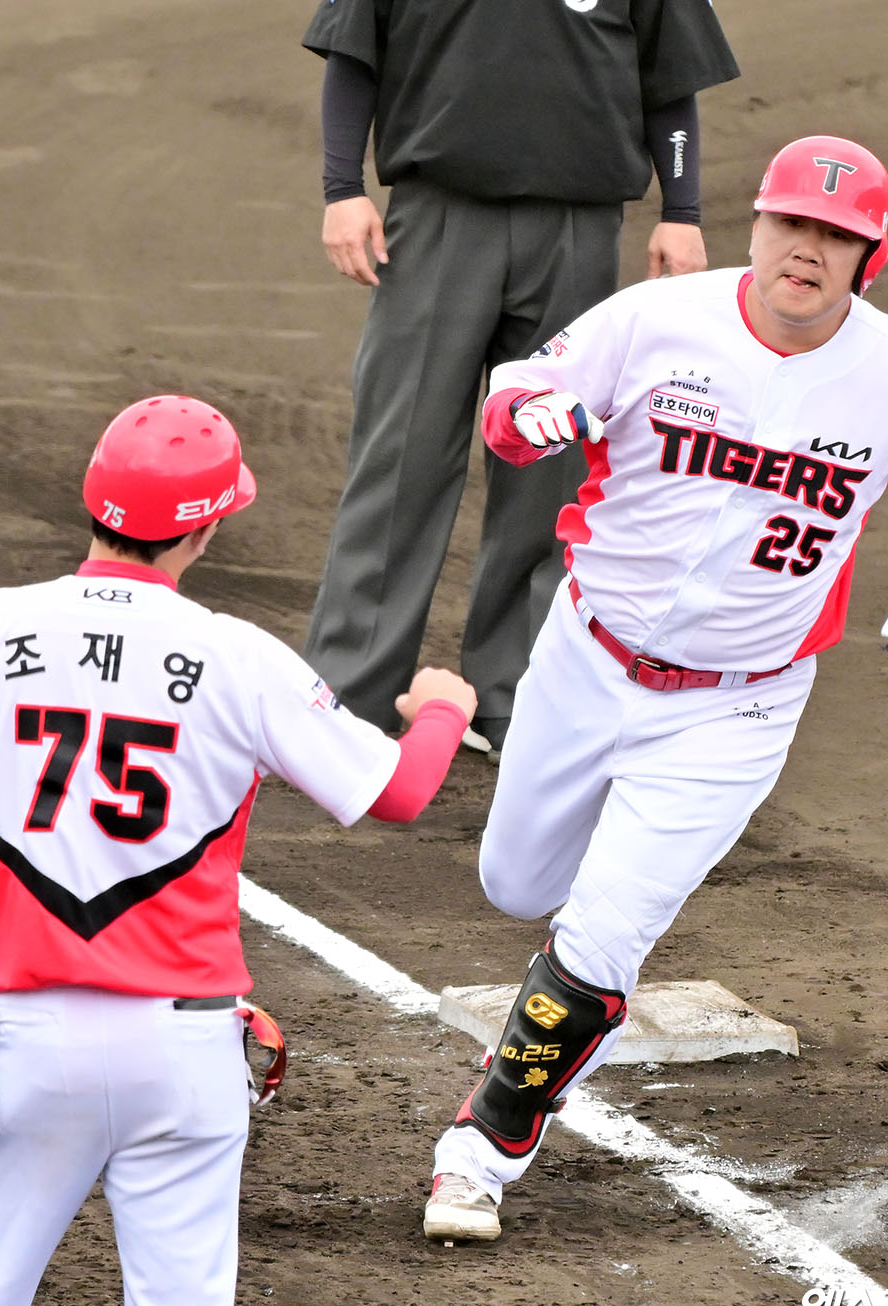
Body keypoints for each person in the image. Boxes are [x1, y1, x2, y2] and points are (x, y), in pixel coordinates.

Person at [421, 135, 888, 1241]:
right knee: (513, 882)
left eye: (836, 236)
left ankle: (479, 1153)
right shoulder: (657, 321)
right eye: (793, 223)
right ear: (759, 224)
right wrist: (527, 419)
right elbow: (519, 393)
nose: (807, 250)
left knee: (602, 943)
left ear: (870, 256)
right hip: (585, 659)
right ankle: (575, 946)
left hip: (736, 706)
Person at [0, 394, 475, 1306]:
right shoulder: (236, 655)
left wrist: (14, 827)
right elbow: (400, 791)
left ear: (94, 499)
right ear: (206, 528)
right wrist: (443, 708)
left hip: (24, 1041)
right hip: (184, 1046)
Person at [300, 0, 740, 758]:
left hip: (579, 229)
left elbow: (669, 76)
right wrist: (342, 187)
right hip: (435, 217)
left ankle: (514, 697)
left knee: (549, 466)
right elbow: (353, 50)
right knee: (402, 455)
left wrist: (684, 208)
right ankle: (352, 695)